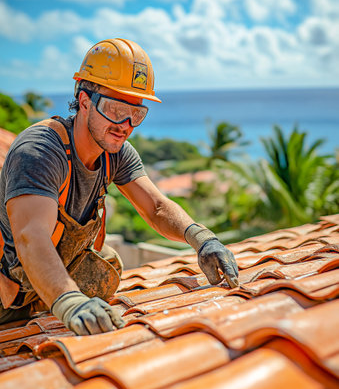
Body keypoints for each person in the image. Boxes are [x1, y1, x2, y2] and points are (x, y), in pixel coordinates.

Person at [0, 38, 239, 335]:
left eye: (136, 114)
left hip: (38, 292)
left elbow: (157, 207)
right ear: (85, 101)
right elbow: (30, 237)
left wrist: (202, 239)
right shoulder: (40, 151)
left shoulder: (115, 154)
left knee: (106, 265)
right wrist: (70, 302)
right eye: (115, 109)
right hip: (4, 300)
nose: (125, 124)